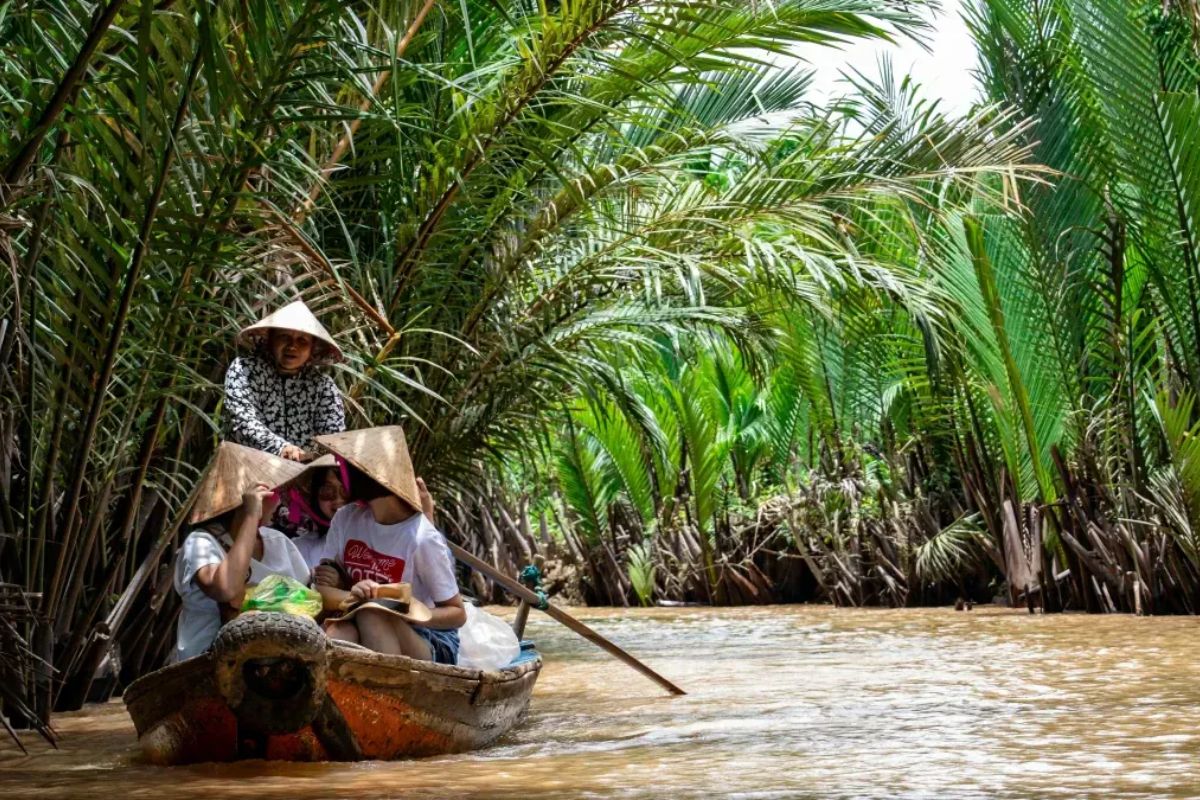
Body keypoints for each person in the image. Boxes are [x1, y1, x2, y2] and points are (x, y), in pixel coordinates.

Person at [312, 426, 465, 664]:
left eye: (348, 469)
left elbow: (457, 613)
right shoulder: (346, 519)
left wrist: (407, 610)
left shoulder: (422, 537)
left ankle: (391, 692)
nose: (343, 475)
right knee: (340, 632)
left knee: (372, 613)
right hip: (361, 618)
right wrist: (354, 595)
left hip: (429, 638)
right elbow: (321, 589)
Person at [172, 442, 311, 662]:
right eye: (273, 493)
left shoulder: (278, 541)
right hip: (208, 662)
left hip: (279, 660)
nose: (279, 502)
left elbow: (307, 597)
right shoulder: (201, 542)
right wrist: (250, 516)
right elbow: (225, 589)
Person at [224, 299, 345, 463]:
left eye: (302, 340)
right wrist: (282, 448)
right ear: (270, 340)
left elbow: (334, 438)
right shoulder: (245, 369)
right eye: (284, 337)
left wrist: (314, 463)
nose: (292, 346)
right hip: (249, 470)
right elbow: (241, 422)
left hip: (302, 476)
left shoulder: (322, 386)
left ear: (312, 349)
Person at [278, 455, 348, 568]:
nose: (338, 499)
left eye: (346, 490)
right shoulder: (298, 549)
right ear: (315, 497)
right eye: (327, 491)